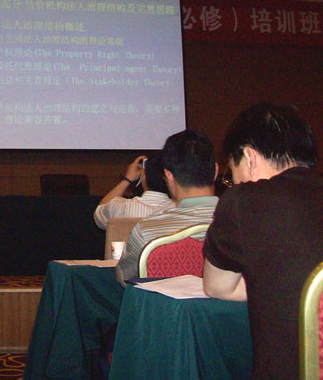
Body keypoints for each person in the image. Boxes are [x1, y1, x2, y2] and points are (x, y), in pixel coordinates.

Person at [202, 103, 322, 380]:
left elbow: (217, 287)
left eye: (233, 175)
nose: (235, 184)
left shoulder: (244, 201)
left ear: (249, 157)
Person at [115, 130, 219, 284]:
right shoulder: (247, 224)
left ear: (169, 176)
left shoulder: (146, 231)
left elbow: (124, 278)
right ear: (215, 171)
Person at [93, 152, 175, 230]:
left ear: (143, 175)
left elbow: (99, 214)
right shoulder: (178, 210)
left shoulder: (121, 207)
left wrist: (127, 179)